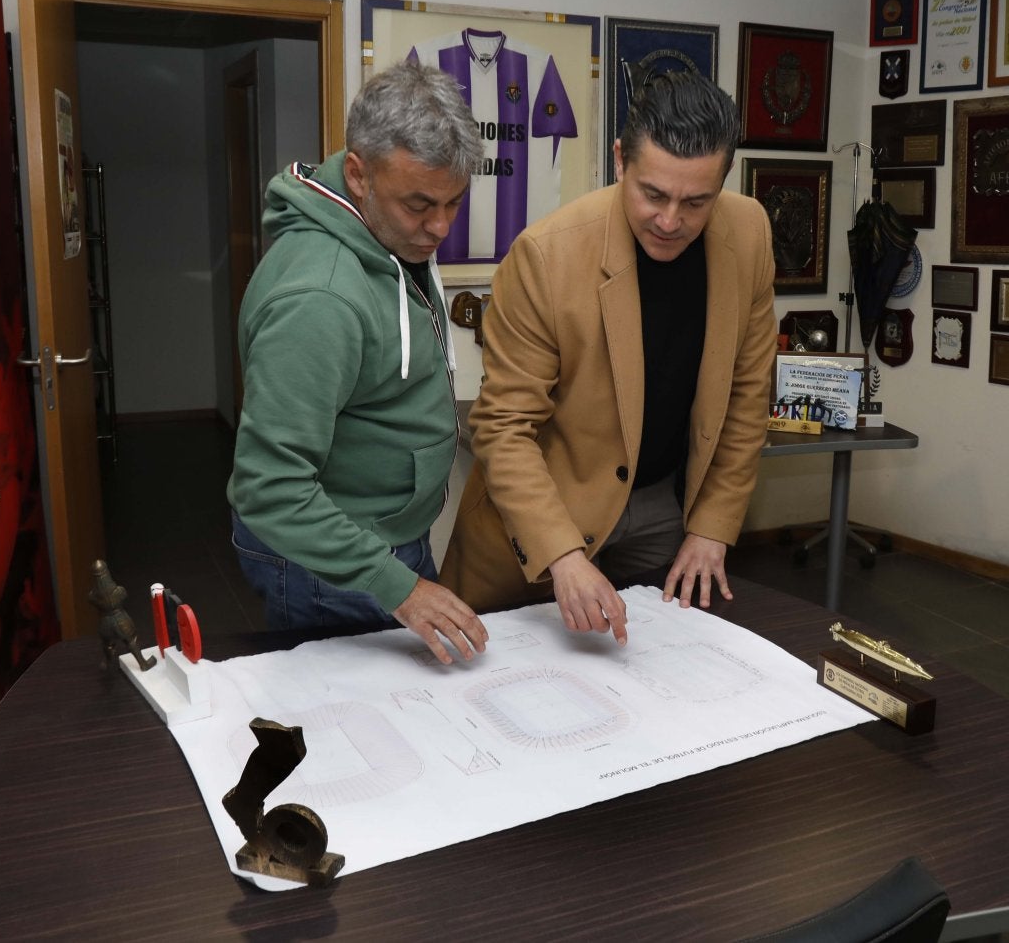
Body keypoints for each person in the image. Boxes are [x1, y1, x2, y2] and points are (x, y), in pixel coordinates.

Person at [439, 71, 777, 646]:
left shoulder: (749, 233)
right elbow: (503, 428)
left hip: (663, 507)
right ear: (620, 160)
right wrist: (564, 556)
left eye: (696, 201)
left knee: (659, 673)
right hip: (550, 512)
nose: (671, 221)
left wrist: (713, 525)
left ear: (723, 181)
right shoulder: (545, 256)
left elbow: (747, 393)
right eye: (653, 194)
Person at [228, 61, 489, 666]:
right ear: (357, 174)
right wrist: (399, 587)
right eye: (420, 204)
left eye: (453, 203)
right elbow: (269, 488)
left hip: (380, 537)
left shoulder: (387, 231)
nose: (440, 227)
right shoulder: (320, 299)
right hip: (331, 561)